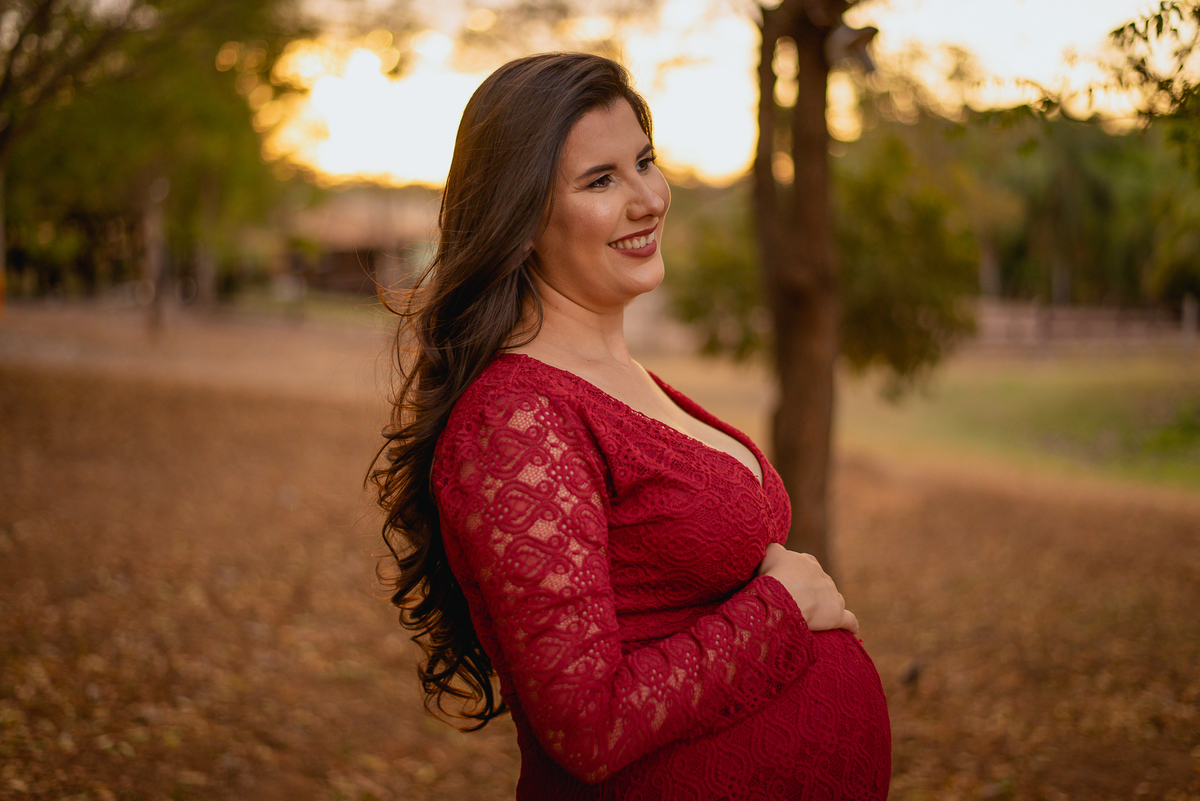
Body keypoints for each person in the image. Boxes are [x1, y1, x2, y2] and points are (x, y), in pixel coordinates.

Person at [371, 52, 891, 799]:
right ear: (518, 221)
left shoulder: (622, 380)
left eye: (644, 161)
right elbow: (588, 723)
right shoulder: (516, 419)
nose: (649, 197)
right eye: (601, 180)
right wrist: (783, 608)